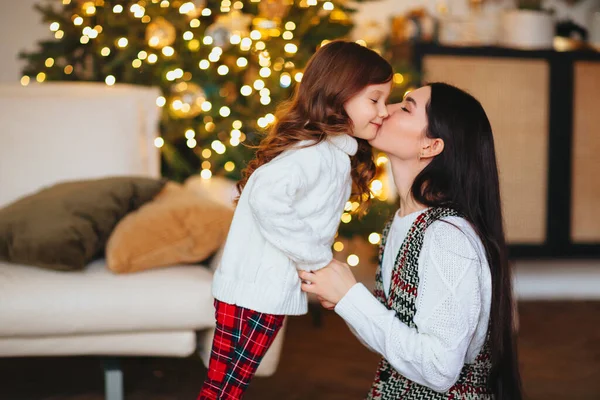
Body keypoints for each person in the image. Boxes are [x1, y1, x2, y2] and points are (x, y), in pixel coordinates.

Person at [300, 83, 522, 399]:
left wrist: (351, 297)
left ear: (430, 146)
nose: (382, 110)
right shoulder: (402, 221)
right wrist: (347, 303)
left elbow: (440, 369)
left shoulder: (447, 237)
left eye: (404, 107)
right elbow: (398, 336)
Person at [197, 40, 393, 399]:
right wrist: (316, 261)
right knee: (224, 388)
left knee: (225, 387)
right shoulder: (312, 153)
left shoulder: (332, 152)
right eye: (374, 99)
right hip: (253, 290)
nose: (383, 111)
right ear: (339, 94)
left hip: (261, 288)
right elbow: (265, 198)